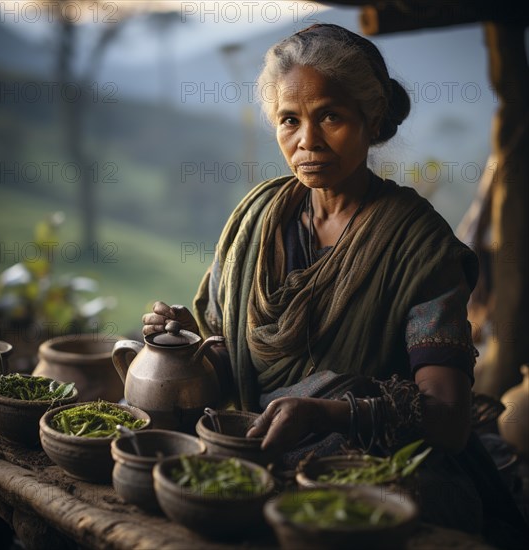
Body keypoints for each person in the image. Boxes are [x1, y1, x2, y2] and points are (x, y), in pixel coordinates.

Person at [143, 24, 528, 547]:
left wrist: (328, 413)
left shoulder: (418, 246)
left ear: (373, 121)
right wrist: (188, 342)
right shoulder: (257, 221)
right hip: (253, 455)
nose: (308, 140)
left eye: (330, 116)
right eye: (289, 120)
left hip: (371, 473)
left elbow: (447, 419)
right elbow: (228, 362)